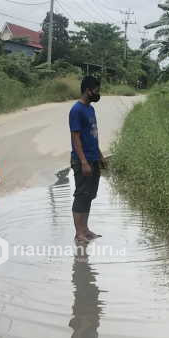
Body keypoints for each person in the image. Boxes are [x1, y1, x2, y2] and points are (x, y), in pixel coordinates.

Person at [69, 76, 105, 243]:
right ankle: (79, 233)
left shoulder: (90, 109)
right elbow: (76, 138)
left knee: (89, 195)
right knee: (81, 194)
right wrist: (83, 161)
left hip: (93, 157)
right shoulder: (76, 110)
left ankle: (86, 229)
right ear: (87, 90)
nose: (98, 93)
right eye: (96, 90)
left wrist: (100, 155)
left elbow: (93, 135)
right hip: (82, 159)